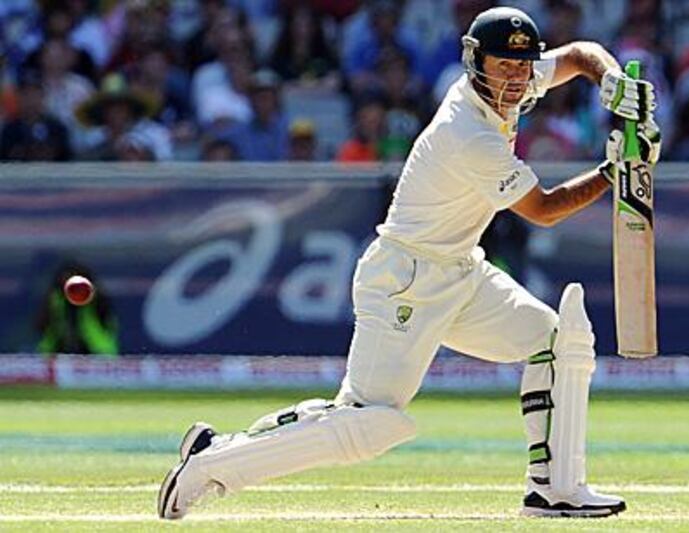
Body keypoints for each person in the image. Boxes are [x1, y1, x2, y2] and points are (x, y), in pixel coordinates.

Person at [158, 6, 659, 520]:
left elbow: (578, 54)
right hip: (407, 281)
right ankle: (212, 466)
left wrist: (612, 80)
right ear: (474, 63)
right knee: (370, 423)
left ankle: (554, 488)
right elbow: (545, 210)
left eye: (522, 65)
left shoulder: (519, 81)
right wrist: (615, 170)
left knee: (556, 342)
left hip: (462, 270)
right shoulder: (469, 132)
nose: (514, 78)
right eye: (501, 65)